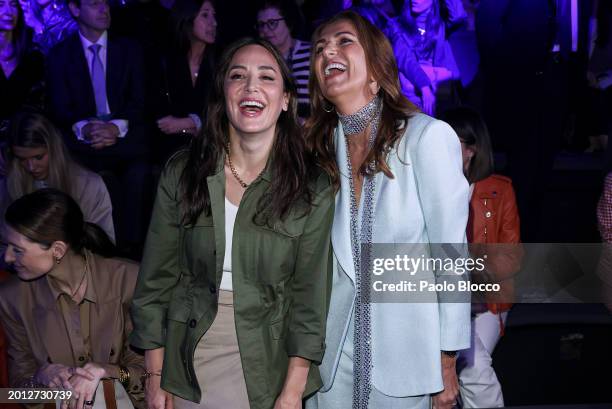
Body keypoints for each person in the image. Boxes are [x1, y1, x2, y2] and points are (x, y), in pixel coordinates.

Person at [129, 37, 334, 409]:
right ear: (223, 94)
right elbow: (155, 283)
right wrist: (155, 376)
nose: (251, 87)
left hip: (268, 357)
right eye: (237, 76)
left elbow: (309, 302)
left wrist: (291, 393)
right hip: (188, 353)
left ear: (286, 99)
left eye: (267, 77)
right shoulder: (183, 172)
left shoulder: (311, 188)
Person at [305, 10, 470, 409]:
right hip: (332, 363)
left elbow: (451, 256)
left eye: (344, 41)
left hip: (408, 363)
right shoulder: (320, 152)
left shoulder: (426, 139)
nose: (329, 52)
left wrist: (447, 361)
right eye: (320, 48)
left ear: (377, 68)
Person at [0, 188, 145, 408]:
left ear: (57, 249)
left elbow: (149, 376)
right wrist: (40, 380)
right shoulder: (12, 298)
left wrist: (108, 372)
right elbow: (13, 395)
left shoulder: (128, 281)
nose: (7, 257)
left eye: (18, 250)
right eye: (5, 246)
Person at [46, 0, 150, 253]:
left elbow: (141, 101)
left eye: (106, 2)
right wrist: (84, 128)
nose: (104, 9)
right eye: (94, 3)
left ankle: (132, 253)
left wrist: (115, 127)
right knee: (87, 171)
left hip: (123, 140)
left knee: (139, 172)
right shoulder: (59, 55)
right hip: (83, 143)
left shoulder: (130, 49)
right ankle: (99, 249)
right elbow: (58, 108)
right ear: (74, 9)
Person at [443, 106, 523, 408]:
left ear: (471, 150)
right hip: (438, 300)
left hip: (485, 303)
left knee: (469, 361)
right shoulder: (430, 188)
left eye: (451, 143)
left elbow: (511, 257)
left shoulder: (499, 191)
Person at [0, 112, 115, 250]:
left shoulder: (89, 185)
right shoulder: (8, 186)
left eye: (38, 157)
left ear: (54, 149)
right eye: (22, 159)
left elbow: (103, 247)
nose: (31, 167)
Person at [153, 0, 216, 164]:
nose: (213, 23)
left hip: (211, 144)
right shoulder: (167, 62)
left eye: (214, 16)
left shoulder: (219, 61)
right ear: (187, 18)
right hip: (172, 146)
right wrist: (189, 126)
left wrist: (191, 122)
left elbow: (221, 110)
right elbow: (164, 120)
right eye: (205, 15)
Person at [387, 0, 460, 115]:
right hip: (413, 93)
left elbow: (458, 16)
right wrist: (424, 86)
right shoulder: (397, 26)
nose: (415, 0)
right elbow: (405, 59)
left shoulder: (440, 26)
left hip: (438, 92)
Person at [256, 0, 311, 119]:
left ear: (289, 23)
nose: (265, 30)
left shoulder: (312, 53)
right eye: (261, 24)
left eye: (272, 23)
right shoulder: (259, 60)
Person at [0, 0, 44, 137]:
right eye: (0, 5)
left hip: (26, 136)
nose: (9, 11)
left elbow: (41, 104)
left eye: (13, 5)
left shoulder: (32, 55)